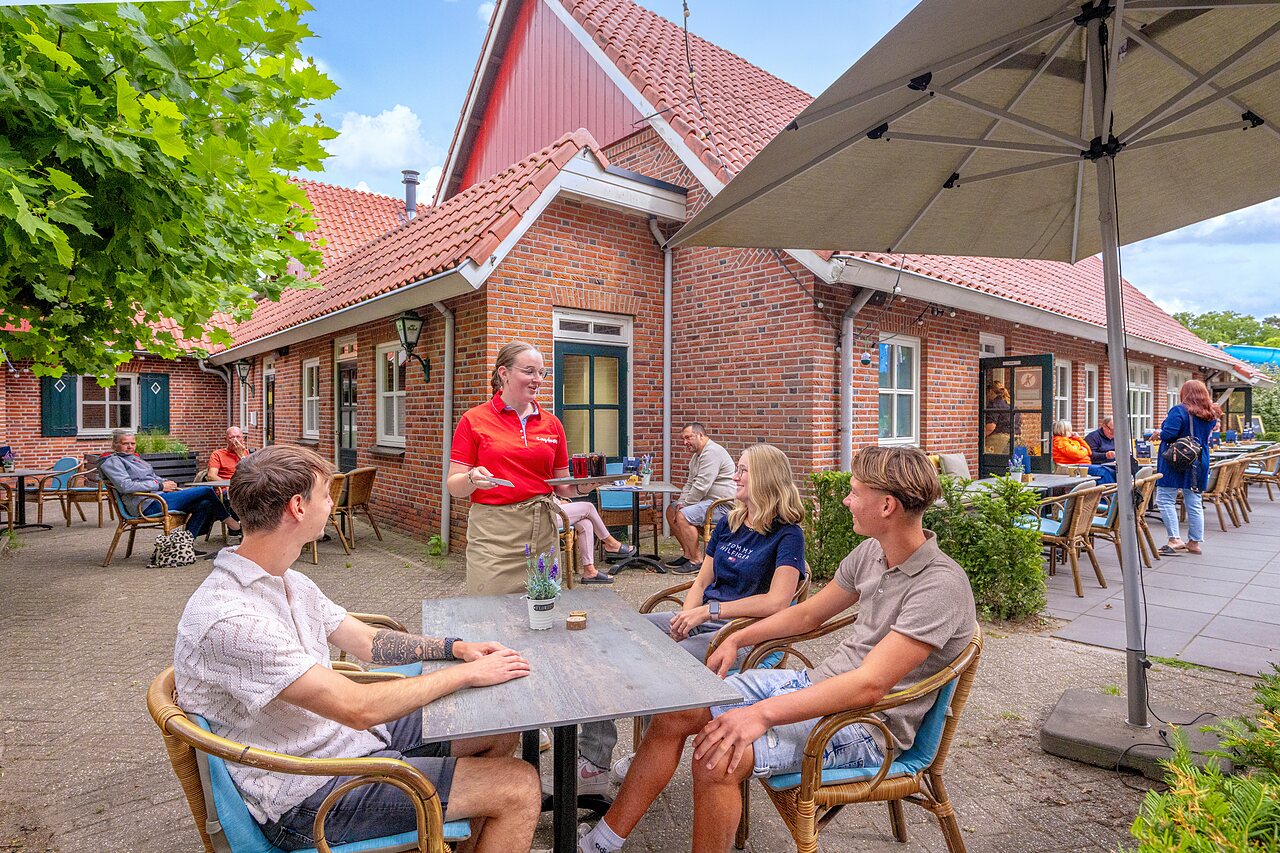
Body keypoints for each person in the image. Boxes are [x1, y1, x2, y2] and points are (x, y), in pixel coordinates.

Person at [577, 446, 977, 853]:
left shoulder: (939, 586)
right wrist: (736, 637)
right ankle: (603, 842)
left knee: (716, 756)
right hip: (815, 686)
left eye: (854, 492)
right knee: (678, 710)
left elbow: (869, 686)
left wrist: (759, 714)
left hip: (868, 726)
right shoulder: (872, 553)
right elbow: (805, 617)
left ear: (887, 505)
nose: (846, 500)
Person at [174, 445, 541, 852]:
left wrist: (455, 648)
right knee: (519, 785)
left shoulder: (285, 580)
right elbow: (358, 708)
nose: (332, 503)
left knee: (495, 726)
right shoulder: (233, 621)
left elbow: (368, 642)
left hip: (340, 742)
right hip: (306, 792)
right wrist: (465, 674)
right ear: (298, 507)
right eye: (327, 494)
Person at [610, 442, 806, 782]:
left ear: (764, 478)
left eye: (743, 470)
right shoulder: (730, 523)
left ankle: (647, 755)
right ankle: (596, 761)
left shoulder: (788, 535)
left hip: (745, 635)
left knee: (668, 662)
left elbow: (777, 602)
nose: (735, 475)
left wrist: (708, 613)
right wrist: (684, 619)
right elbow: (701, 581)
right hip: (707, 620)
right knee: (625, 634)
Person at [447, 340, 602, 596]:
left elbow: (562, 486)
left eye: (542, 373)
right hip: (493, 535)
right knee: (490, 611)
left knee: (542, 610)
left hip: (542, 530)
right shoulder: (474, 420)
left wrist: (584, 486)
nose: (538, 379)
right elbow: (454, 486)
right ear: (504, 373)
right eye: (529, 371)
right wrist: (472, 478)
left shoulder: (552, 425)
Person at [100, 429, 239, 548]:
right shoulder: (112, 462)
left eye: (132, 443)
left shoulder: (135, 459)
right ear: (115, 445)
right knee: (206, 490)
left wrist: (166, 482)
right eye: (125, 444)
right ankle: (232, 524)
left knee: (205, 503)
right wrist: (160, 485)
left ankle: (185, 545)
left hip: (159, 498)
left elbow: (152, 476)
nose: (130, 447)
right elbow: (126, 486)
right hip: (147, 504)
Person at [1155, 379, 1220, 556]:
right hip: (1199, 460)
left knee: (1165, 498)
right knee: (1194, 501)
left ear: (1185, 393)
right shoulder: (1210, 414)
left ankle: (1175, 539)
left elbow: (1169, 434)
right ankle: (1194, 542)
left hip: (1177, 460)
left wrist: (1158, 432)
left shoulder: (1179, 411)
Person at [664, 424, 736, 573]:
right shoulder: (697, 456)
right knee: (671, 510)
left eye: (688, 437)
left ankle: (697, 561)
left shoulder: (712, 453)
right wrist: (682, 502)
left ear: (701, 435)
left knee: (683, 515)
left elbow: (702, 486)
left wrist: (685, 506)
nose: (685, 442)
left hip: (721, 505)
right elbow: (690, 483)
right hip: (706, 503)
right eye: (683, 439)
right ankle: (688, 553)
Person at [556, 496, 636, 585]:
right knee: (589, 507)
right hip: (543, 514)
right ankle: (610, 543)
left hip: (552, 506)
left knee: (586, 524)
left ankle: (589, 571)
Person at [1051, 420, 1115, 485]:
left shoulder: (1073, 439)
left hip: (1082, 465)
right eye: (1069, 429)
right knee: (1102, 471)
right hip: (1071, 466)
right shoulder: (1060, 442)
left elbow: (1089, 451)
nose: (1071, 431)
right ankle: (1110, 493)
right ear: (1063, 430)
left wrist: (1079, 438)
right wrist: (1084, 451)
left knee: (1110, 471)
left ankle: (1107, 492)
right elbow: (1076, 455)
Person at [983, 382, 1014, 456]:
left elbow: (990, 427)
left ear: (990, 391)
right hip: (1014, 439)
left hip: (999, 440)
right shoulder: (1011, 404)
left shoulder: (994, 404)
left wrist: (980, 436)